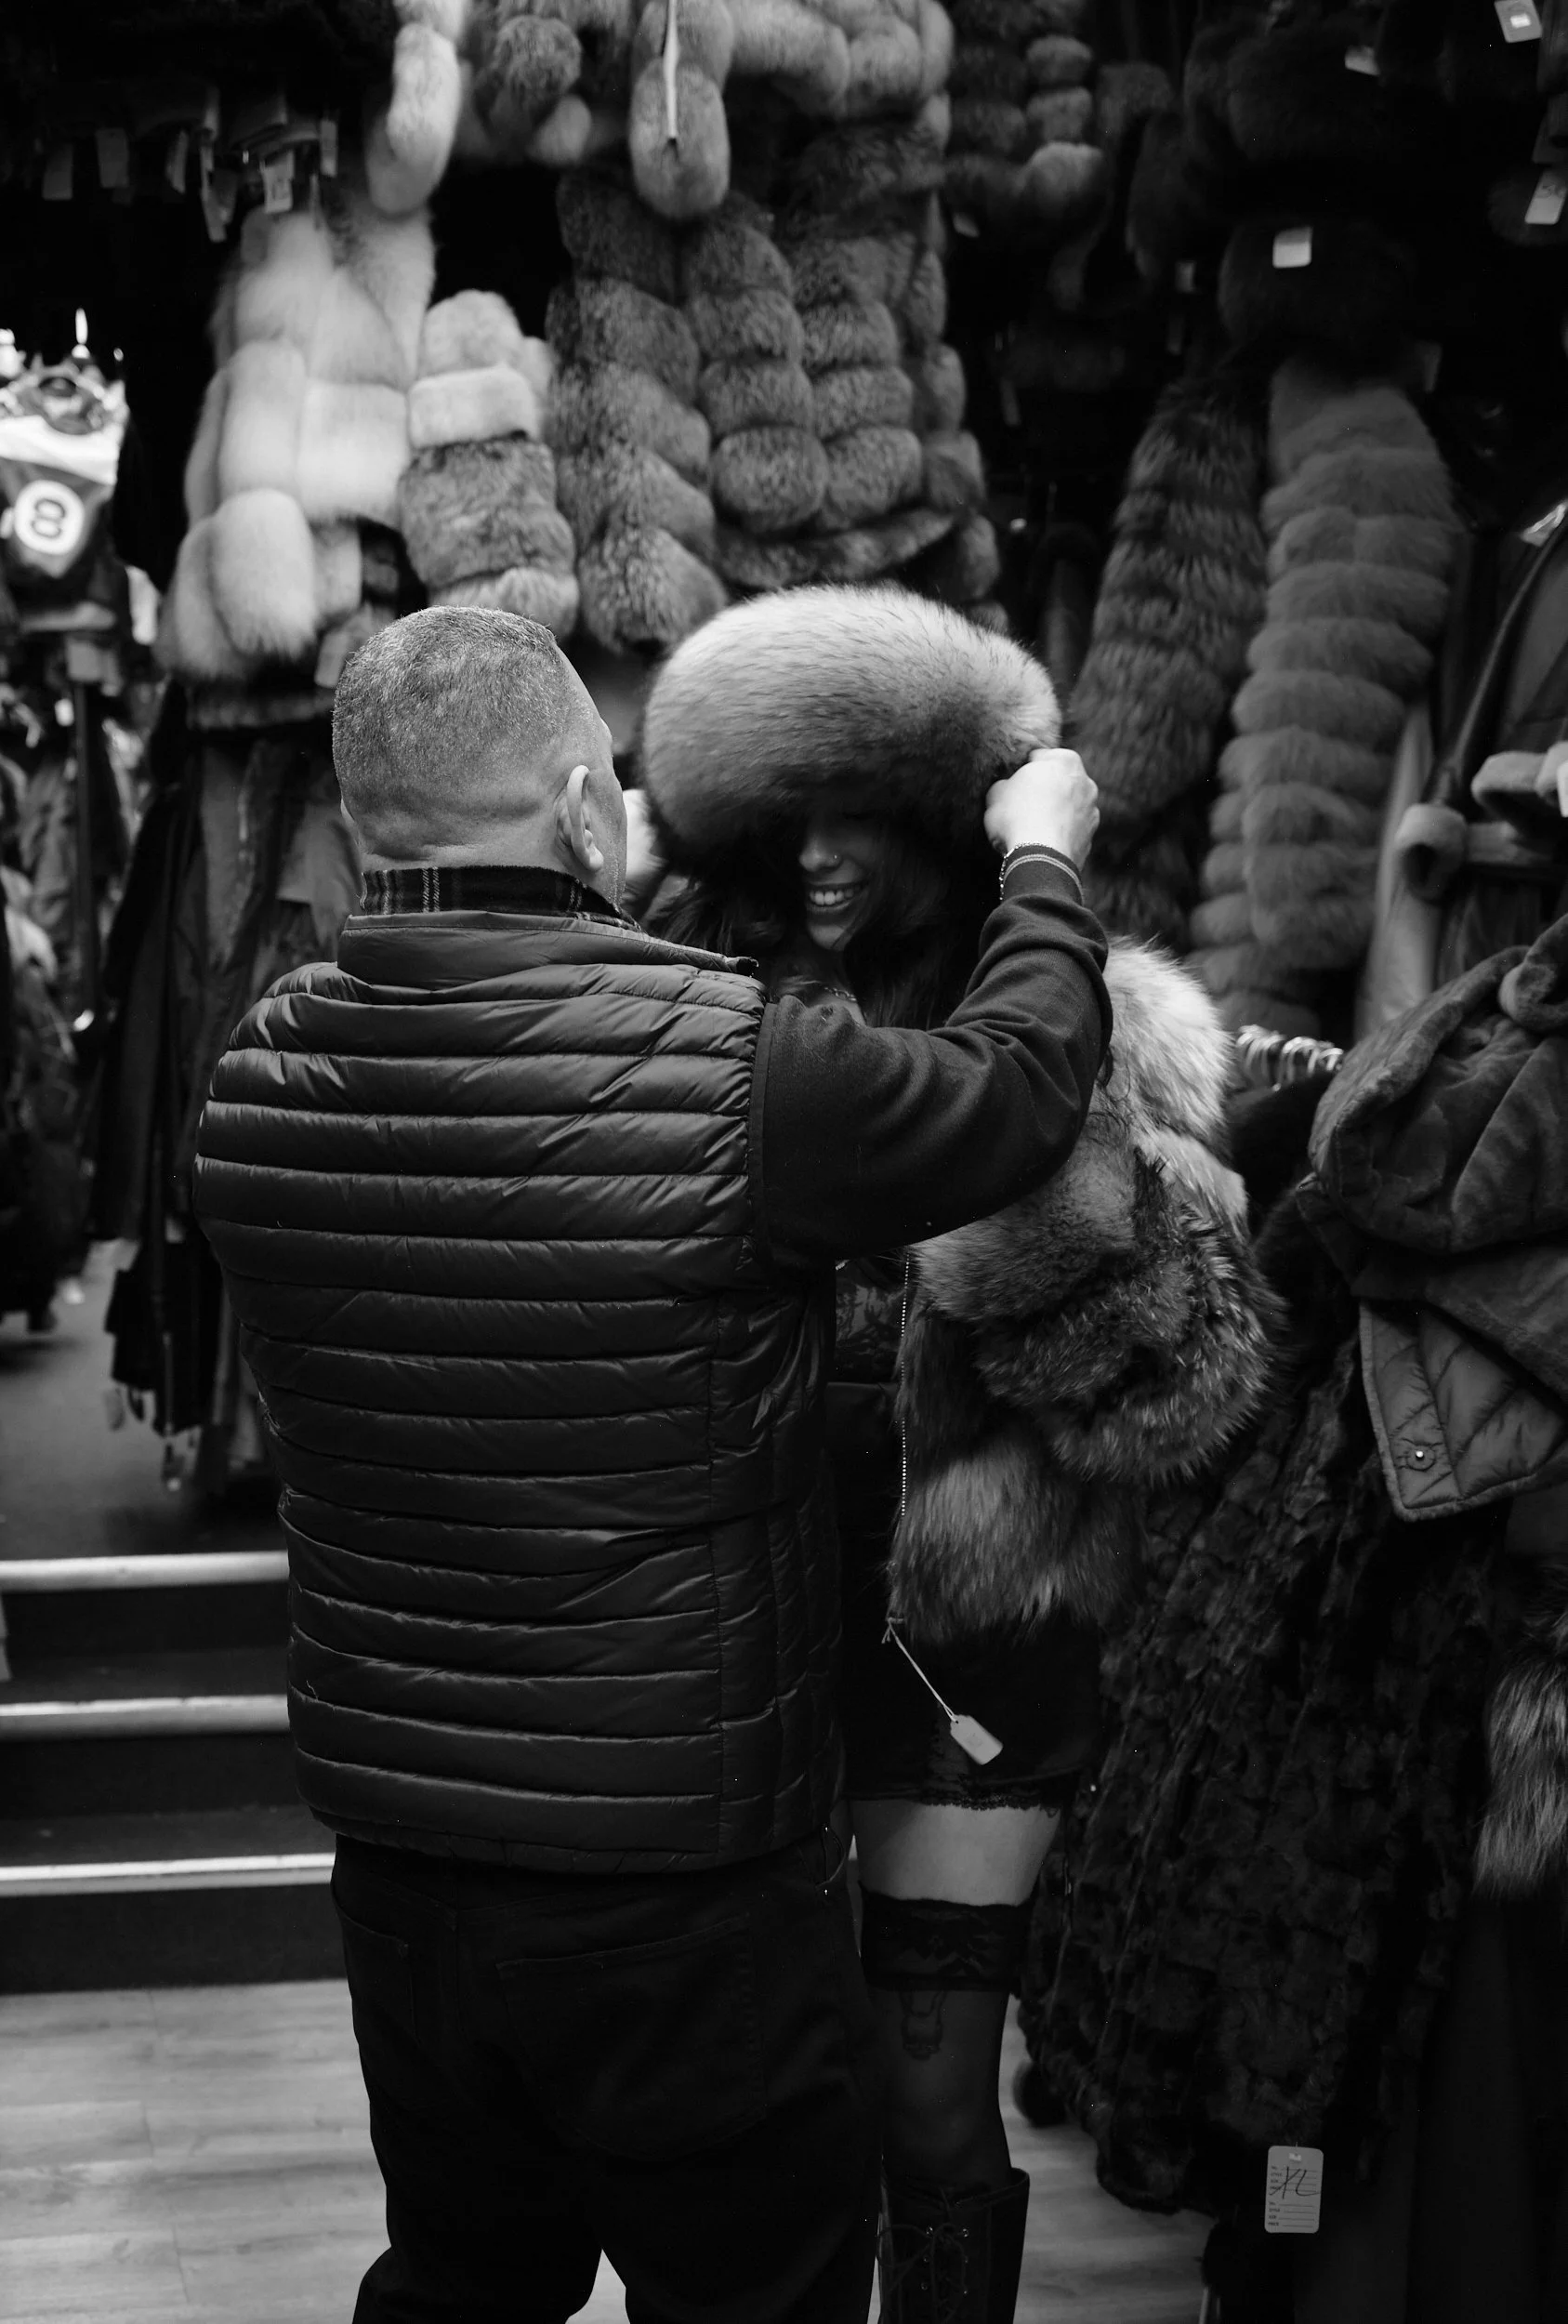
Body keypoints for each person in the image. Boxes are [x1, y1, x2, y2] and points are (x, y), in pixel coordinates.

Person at [192, 596, 1107, 2324]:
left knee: (464, 2278)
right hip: (680, 1883)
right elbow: (1016, 1090)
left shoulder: (252, 1084)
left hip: (406, 1870)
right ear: (579, 807)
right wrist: (1042, 863)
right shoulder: (731, 1062)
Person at [636, 584, 1269, 2320]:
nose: (822, 854)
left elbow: (1180, 1402)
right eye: (789, 814)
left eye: (865, 810)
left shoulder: (1102, 1027)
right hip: (727, 1642)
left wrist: (1020, 1229)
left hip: (960, 1657)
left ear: (946, 817)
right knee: (772, 2110)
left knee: (924, 2102)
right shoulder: (693, 1012)